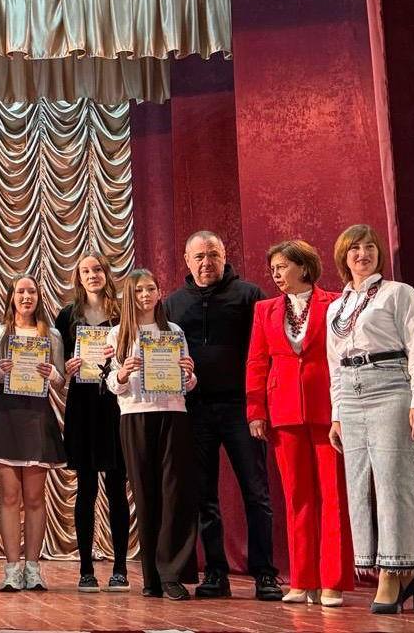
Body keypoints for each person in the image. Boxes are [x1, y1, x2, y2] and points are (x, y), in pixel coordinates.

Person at [164, 231, 280, 600]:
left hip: (241, 409)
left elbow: (267, 352)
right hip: (195, 410)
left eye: (212, 255)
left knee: (256, 493)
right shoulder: (172, 304)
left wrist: (260, 404)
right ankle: (215, 572)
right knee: (204, 496)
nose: (206, 263)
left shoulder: (249, 296)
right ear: (187, 260)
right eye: (199, 256)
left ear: (224, 255)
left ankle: (265, 574)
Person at [325, 224, 414, 614]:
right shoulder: (336, 308)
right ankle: (402, 571)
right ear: (343, 257)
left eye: (369, 247)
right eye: (354, 248)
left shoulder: (397, 293)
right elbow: (334, 364)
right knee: (359, 487)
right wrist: (336, 414)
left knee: (393, 482)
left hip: (390, 386)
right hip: (351, 394)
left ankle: (394, 571)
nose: (363, 254)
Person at [245, 240, 352, 607]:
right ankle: (302, 580)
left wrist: (344, 408)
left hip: (328, 410)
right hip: (284, 412)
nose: (276, 274)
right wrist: (256, 411)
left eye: (282, 267)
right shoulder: (265, 310)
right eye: (273, 268)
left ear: (304, 268)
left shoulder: (335, 303)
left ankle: (332, 582)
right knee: (296, 497)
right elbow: (257, 361)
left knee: (333, 496)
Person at [107, 269, 199, 601]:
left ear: (159, 293)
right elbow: (111, 383)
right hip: (134, 415)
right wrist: (122, 373)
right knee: (145, 496)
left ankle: (172, 573)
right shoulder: (117, 334)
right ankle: (151, 578)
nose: (145, 295)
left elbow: (188, 384)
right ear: (129, 297)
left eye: (150, 289)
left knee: (174, 493)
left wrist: (189, 375)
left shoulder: (173, 331)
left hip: (173, 413)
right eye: (138, 291)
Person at [0, 274, 65, 592]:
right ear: (11, 297)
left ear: (39, 297)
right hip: (6, 417)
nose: (26, 297)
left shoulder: (51, 335)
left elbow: (61, 381)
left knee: (35, 498)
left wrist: (53, 373)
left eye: (32, 292)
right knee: (10, 496)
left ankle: (33, 568)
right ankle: (12, 568)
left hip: (38, 417)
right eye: (20, 292)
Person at [55, 253, 130, 593]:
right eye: (85, 271)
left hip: (116, 405)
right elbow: (58, 366)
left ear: (106, 273)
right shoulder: (67, 315)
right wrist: (67, 368)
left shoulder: (122, 313)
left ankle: (120, 568)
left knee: (116, 487)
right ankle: (86, 569)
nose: (92, 275)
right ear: (78, 278)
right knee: (85, 488)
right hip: (82, 406)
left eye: (97, 269)